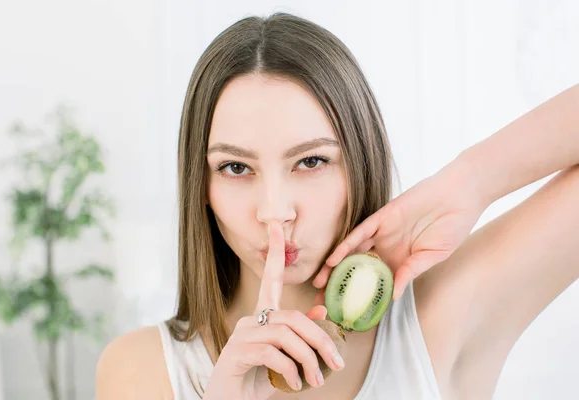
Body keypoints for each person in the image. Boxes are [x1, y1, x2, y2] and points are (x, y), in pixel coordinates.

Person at [95, 12, 579, 400]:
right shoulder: (139, 370)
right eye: (236, 168)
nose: (275, 211)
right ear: (201, 185)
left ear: (360, 162)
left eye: (311, 161)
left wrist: (469, 182)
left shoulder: (443, 316)